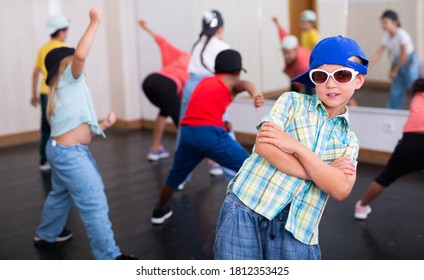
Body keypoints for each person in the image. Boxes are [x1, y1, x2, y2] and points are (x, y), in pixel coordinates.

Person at [214, 35, 368, 260]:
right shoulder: (291, 102)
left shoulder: (349, 141)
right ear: (313, 79)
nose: (331, 84)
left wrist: (295, 147)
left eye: (342, 75)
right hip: (247, 207)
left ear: (358, 80)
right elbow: (264, 147)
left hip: (299, 229)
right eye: (321, 76)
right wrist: (321, 173)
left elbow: (340, 189)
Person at [33, 8, 136, 260]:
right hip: (70, 155)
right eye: (75, 62)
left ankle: (46, 234)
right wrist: (94, 22)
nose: (81, 64)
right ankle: (109, 257)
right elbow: (80, 54)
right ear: (65, 67)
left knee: (61, 194)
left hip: (60, 151)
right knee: (94, 201)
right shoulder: (70, 79)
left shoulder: (61, 91)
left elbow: (74, 124)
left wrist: (103, 125)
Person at [151, 49, 264, 225]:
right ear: (236, 71)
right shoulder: (232, 80)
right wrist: (255, 93)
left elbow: (203, 111)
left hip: (188, 133)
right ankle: (263, 211)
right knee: (251, 168)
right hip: (209, 135)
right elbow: (244, 84)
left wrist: (222, 123)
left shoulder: (205, 82)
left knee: (174, 177)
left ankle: (159, 211)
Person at [354, 62, 424, 220]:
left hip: (408, 143)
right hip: (413, 141)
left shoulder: (417, 95)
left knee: (384, 178)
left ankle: (361, 207)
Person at [180, 9, 231, 176]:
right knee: (220, 126)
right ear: (221, 28)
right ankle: (231, 169)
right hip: (209, 87)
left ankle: (181, 176)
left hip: (190, 85)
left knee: (185, 131)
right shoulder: (222, 47)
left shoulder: (197, 45)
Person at [138, 20, 190, 161]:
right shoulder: (197, 67)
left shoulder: (183, 55)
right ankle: (210, 162)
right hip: (166, 85)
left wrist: (146, 27)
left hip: (150, 81)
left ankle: (155, 148)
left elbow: (162, 41)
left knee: (165, 110)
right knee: (183, 123)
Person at [31, 15, 69, 171]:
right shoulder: (63, 49)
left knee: (46, 127)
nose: (66, 34)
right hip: (57, 92)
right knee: (61, 125)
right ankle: (60, 158)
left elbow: (35, 73)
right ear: (61, 32)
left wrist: (33, 94)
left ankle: (44, 160)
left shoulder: (42, 48)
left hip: (44, 92)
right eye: (66, 31)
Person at [369, 9, 419, 109]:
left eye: (385, 22)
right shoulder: (386, 36)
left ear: (395, 22)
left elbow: (404, 55)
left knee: (414, 87)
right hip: (397, 62)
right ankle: (392, 112)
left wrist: (395, 70)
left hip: (409, 61)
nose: (383, 25)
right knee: (396, 91)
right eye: (382, 22)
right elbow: (378, 53)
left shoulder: (402, 35)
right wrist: (367, 66)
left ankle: (419, 110)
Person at [272, 16, 311, 94]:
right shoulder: (288, 44)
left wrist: (288, 72)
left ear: (295, 50)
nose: (286, 56)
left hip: (308, 77)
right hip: (295, 74)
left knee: (308, 93)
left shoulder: (303, 64)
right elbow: (283, 35)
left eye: (288, 53)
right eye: (284, 52)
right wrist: (277, 23)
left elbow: (299, 83)